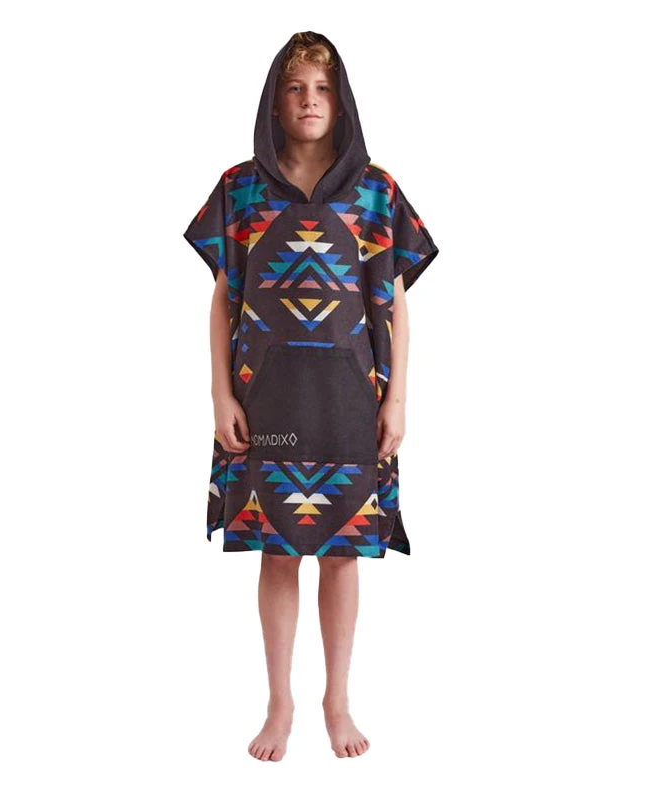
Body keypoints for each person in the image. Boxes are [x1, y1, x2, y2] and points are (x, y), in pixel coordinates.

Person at [183, 31, 439, 761]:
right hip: (267, 398)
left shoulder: (376, 191)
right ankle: (280, 702)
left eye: (323, 89)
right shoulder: (240, 189)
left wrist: (397, 400)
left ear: (342, 99)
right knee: (277, 547)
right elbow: (222, 298)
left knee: (342, 550)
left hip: (351, 395)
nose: (309, 101)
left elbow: (397, 303)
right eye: (295, 88)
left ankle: (338, 699)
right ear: (275, 99)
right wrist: (220, 395)